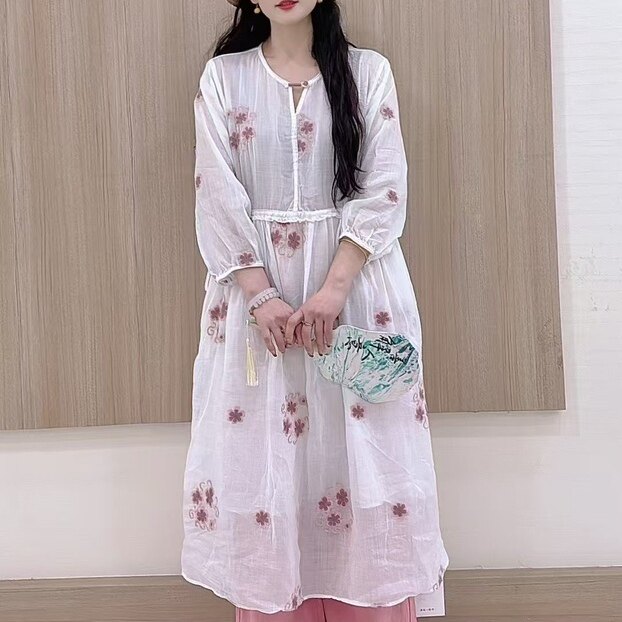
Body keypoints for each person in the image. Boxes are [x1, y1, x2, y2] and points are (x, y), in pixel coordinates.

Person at [180, 0, 449, 620]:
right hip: (256, 304)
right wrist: (260, 293)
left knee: (361, 450)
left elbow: (385, 186)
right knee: (270, 455)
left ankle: (370, 599)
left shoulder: (367, 72)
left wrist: (333, 290)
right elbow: (214, 193)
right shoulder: (224, 77)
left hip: (358, 293)